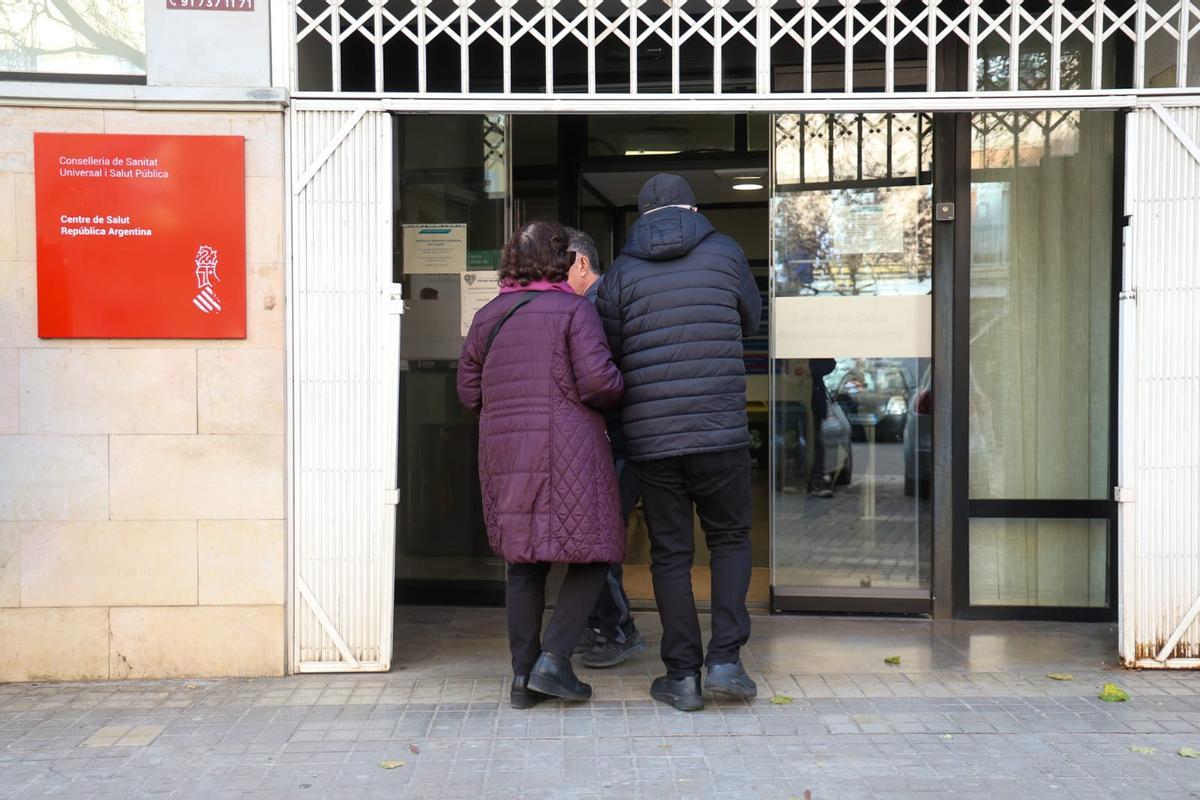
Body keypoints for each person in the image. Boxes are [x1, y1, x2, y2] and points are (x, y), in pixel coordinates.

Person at [597, 174, 762, 712]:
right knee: (731, 539)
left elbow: (611, 348)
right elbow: (750, 319)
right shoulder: (727, 252)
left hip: (652, 435)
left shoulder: (621, 271)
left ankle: (683, 677)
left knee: (670, 554)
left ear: (641, 214)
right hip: (719, 429)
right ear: (692, 205)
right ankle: (726, 662)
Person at [457, 220, 625, 709]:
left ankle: (521, 678)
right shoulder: (573, 310)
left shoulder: (488, 316)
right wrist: (623, 382)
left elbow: (469, 392)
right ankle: (553, 661)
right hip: (570, 448)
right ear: (559, 260)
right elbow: (598, 384)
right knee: (595, 552)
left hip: (506, 451)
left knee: (523, 561)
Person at [564, 227, 647, 668]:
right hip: (618, 437)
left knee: (599, 536)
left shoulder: (594, 307)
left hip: (613, 437)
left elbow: (602, 379)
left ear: (580, 263)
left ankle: (616, 629)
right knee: (598, 534)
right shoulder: (605, 301)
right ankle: (605, 625)